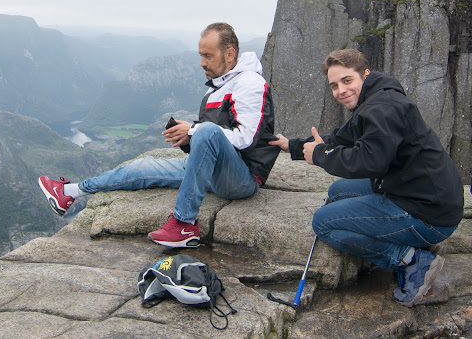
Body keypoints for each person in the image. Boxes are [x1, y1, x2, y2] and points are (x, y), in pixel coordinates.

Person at [38, 22, 280, 248]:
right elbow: (214, 137)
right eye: (201, 56)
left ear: (229, 54)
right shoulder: (218, 87)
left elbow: (246, 139)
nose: (202, 63)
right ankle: (68, 193)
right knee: (143, 168)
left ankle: (185, 224)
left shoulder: (250, 83)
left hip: (242, 178)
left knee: (204, 130)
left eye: (208, 56)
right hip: (214, 170)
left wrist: (195, 130)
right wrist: (190, 139)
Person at [269, 48, 464, 307]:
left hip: (428, 214)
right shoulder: (375, 99)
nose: (340, 90)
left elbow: (370, 160)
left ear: (365, 74)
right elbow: (343, 137)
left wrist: (322, 156)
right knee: (338, 191)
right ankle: (418, 245)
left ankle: (411, 259)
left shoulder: (381, 108)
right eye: (334, 85)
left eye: (347, 80)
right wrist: (292, 146)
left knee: (324, 222)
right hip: (421, 192)